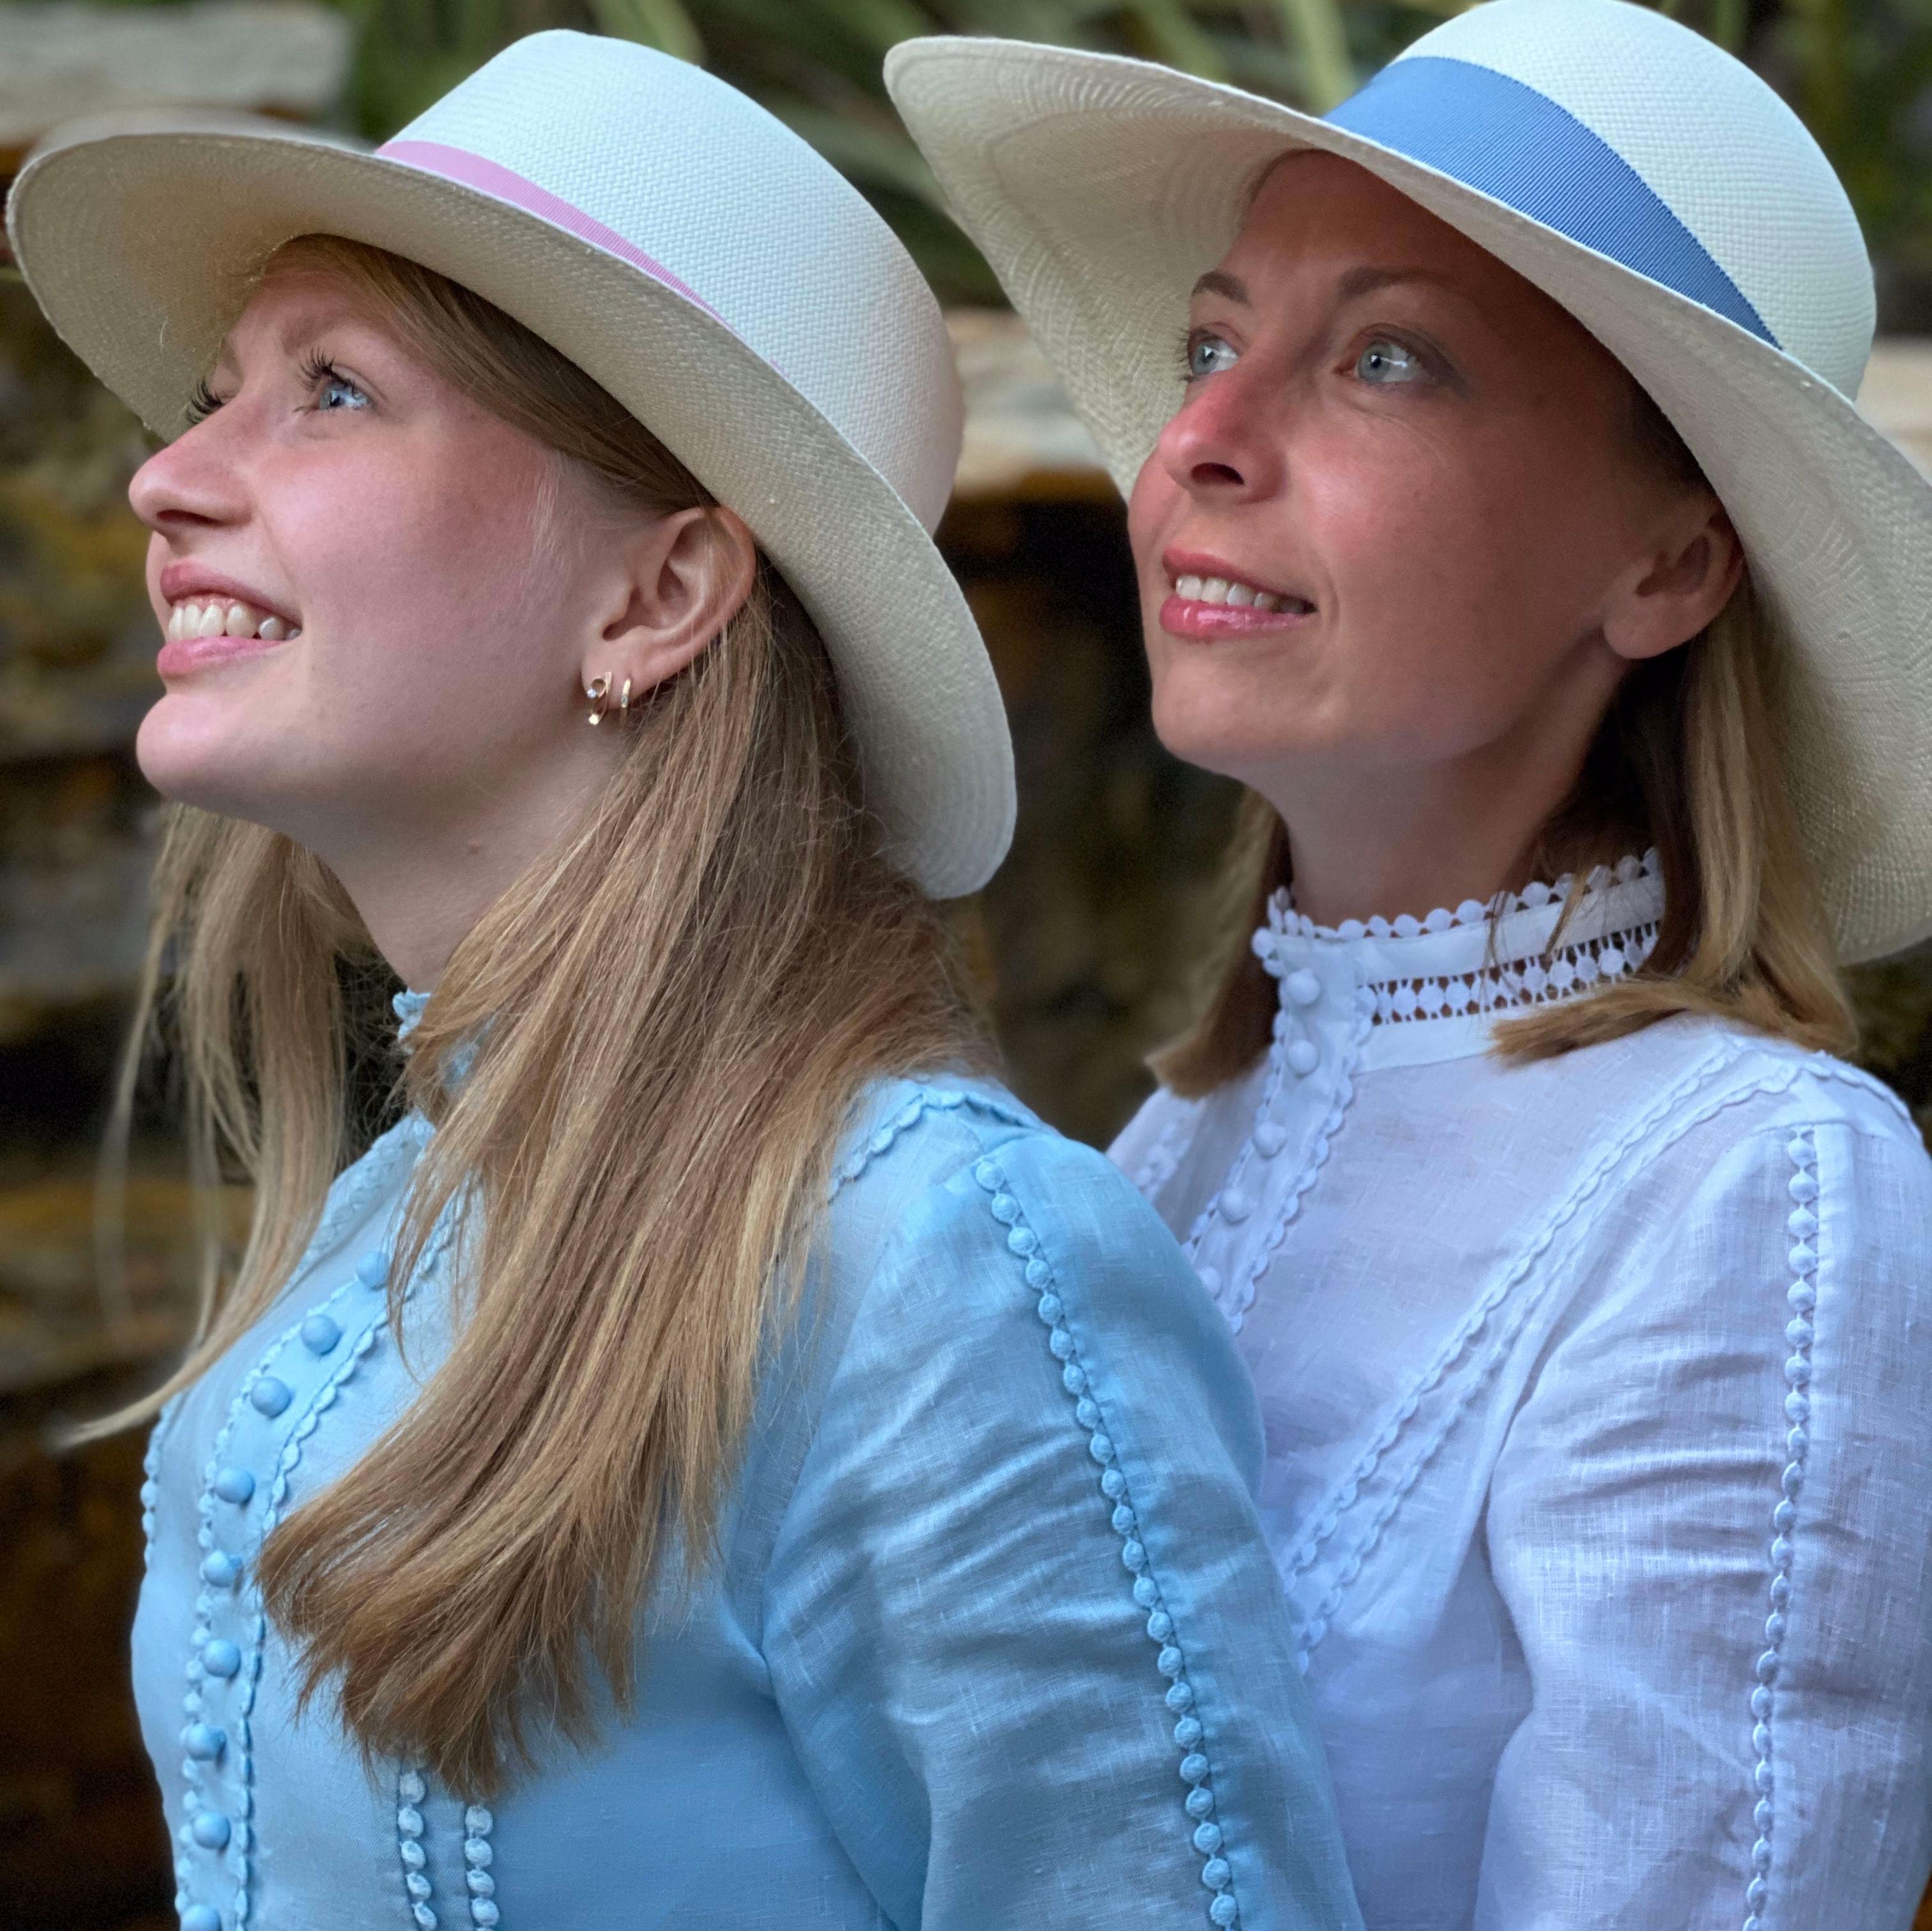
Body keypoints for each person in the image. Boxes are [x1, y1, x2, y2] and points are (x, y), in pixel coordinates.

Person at [6, 33, 1367, 1931]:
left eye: (330, 393)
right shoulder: (391, 1223)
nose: (164, 477)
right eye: (217, 392)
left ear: (656, 599)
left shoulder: (942, 1268)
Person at [889, 1, 1932, 1925]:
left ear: (1673, 565)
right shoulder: (1166, 1149)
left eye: (1385, 359)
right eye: (1211, 345)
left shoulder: (1757, 1186)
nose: (1197, 436)